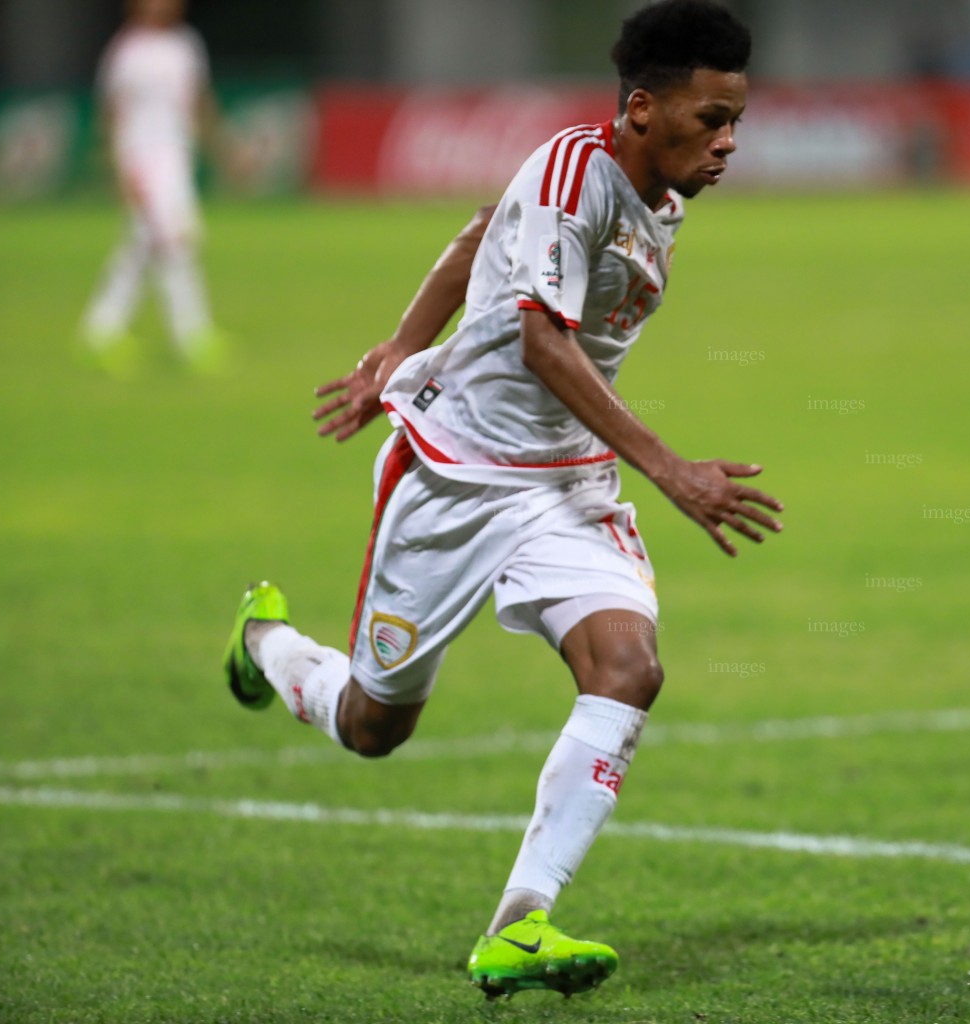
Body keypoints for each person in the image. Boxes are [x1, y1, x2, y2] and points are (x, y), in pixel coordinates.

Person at [222, 0, 779, 1000]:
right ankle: (265, 645)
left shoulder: (665, 202)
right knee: (371, 726)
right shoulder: (576, 177)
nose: (728, 141)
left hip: (567, 484)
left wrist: (399, 343)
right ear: (643, 109)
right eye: (710, 119)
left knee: (628, 665)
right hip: (456, 479)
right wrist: (672, 467)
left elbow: (486, 230)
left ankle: (520, 921)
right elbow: (540, 338)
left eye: (737, 118)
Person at [79, 0, 230, 376]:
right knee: (175, 241)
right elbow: (112, 112)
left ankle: (99, 330)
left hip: (176, 158)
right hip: (142, 159)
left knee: (143, 244)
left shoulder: (185, 45)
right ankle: (193, 336)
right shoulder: (126, 51)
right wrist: (120, 167)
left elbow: (198, 102)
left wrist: (223, 150)